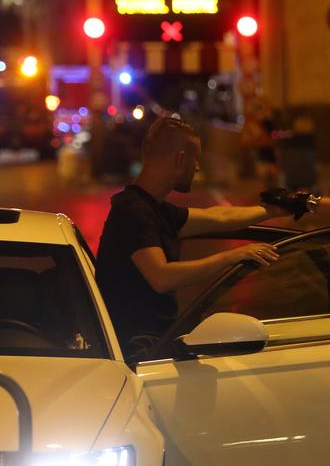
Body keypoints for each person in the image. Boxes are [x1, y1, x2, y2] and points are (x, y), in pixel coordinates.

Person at [95, 117, 290, 362]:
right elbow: (161, 277)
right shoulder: (133, 211)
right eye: (195, 158)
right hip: (138, 353)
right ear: (180, 159)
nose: (197, 167)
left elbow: (219, 216)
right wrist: (232, 256)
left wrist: (273, 210)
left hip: (151, 346)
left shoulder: (153, 208)